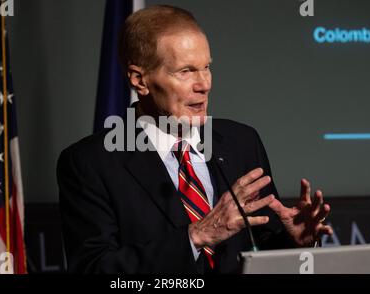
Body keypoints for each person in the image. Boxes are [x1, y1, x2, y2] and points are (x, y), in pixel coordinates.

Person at [57, 5, 333, 274]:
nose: (204, 84)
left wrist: (294, 243)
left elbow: (260, 248)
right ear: (139, 80)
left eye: (206, 67)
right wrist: (197, 235)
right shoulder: (90, 163)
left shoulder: (241, 142)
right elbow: (94, 268)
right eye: (185, 71)